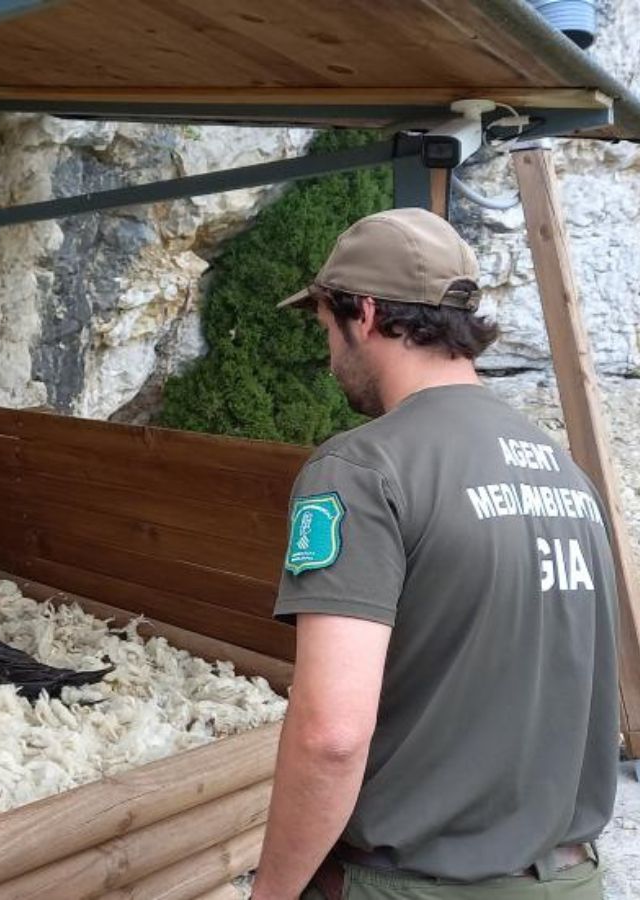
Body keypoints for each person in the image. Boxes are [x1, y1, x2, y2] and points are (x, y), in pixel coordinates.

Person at [251, 208, 619, 900]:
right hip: (572, 881)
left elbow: (331, 733)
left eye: (327, 327)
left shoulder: (361, 472)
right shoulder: (563, 474)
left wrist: (271, 893)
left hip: (417, 887)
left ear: (362, 312)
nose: (330, 357)